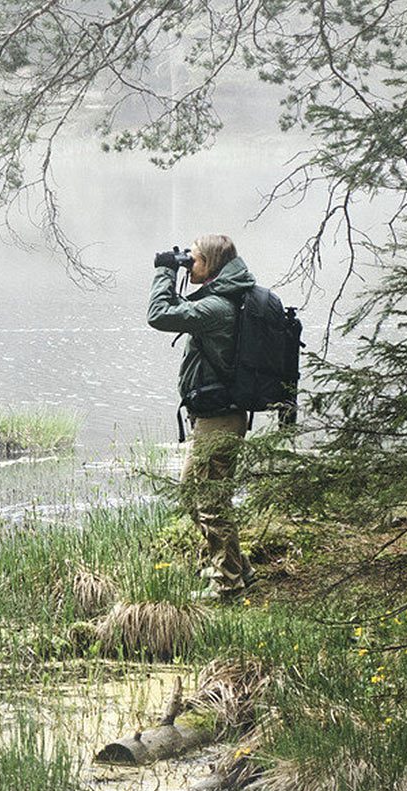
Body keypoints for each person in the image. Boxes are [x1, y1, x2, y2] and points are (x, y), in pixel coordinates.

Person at [147, 234, 278, 600]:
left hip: (220, 419)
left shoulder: (218, 307)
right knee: (194, 494)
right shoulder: (224, 299)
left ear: (213, 266)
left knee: (211, 501)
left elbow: (159, 315)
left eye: (196, 258)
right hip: (214, 417)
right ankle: (240, 569)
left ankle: (227, 584)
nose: (189, 262)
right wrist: (178, 269)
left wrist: (164, 272)